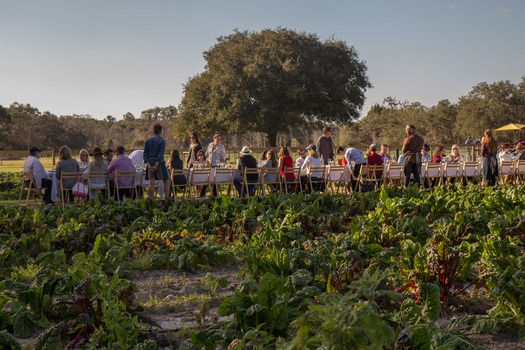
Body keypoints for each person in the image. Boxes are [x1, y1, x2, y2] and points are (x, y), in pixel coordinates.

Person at [143, 123, 170, 198]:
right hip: (159, 164)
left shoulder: (147, 141)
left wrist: (149, 165)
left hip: (149, 163)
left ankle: (151, 200)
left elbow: (145, 155)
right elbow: (160, 155)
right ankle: (166, 199)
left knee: (151, 183)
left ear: (153, 130)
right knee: (166, 181)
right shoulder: (161, 141)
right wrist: (155, 166)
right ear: (161, 131)